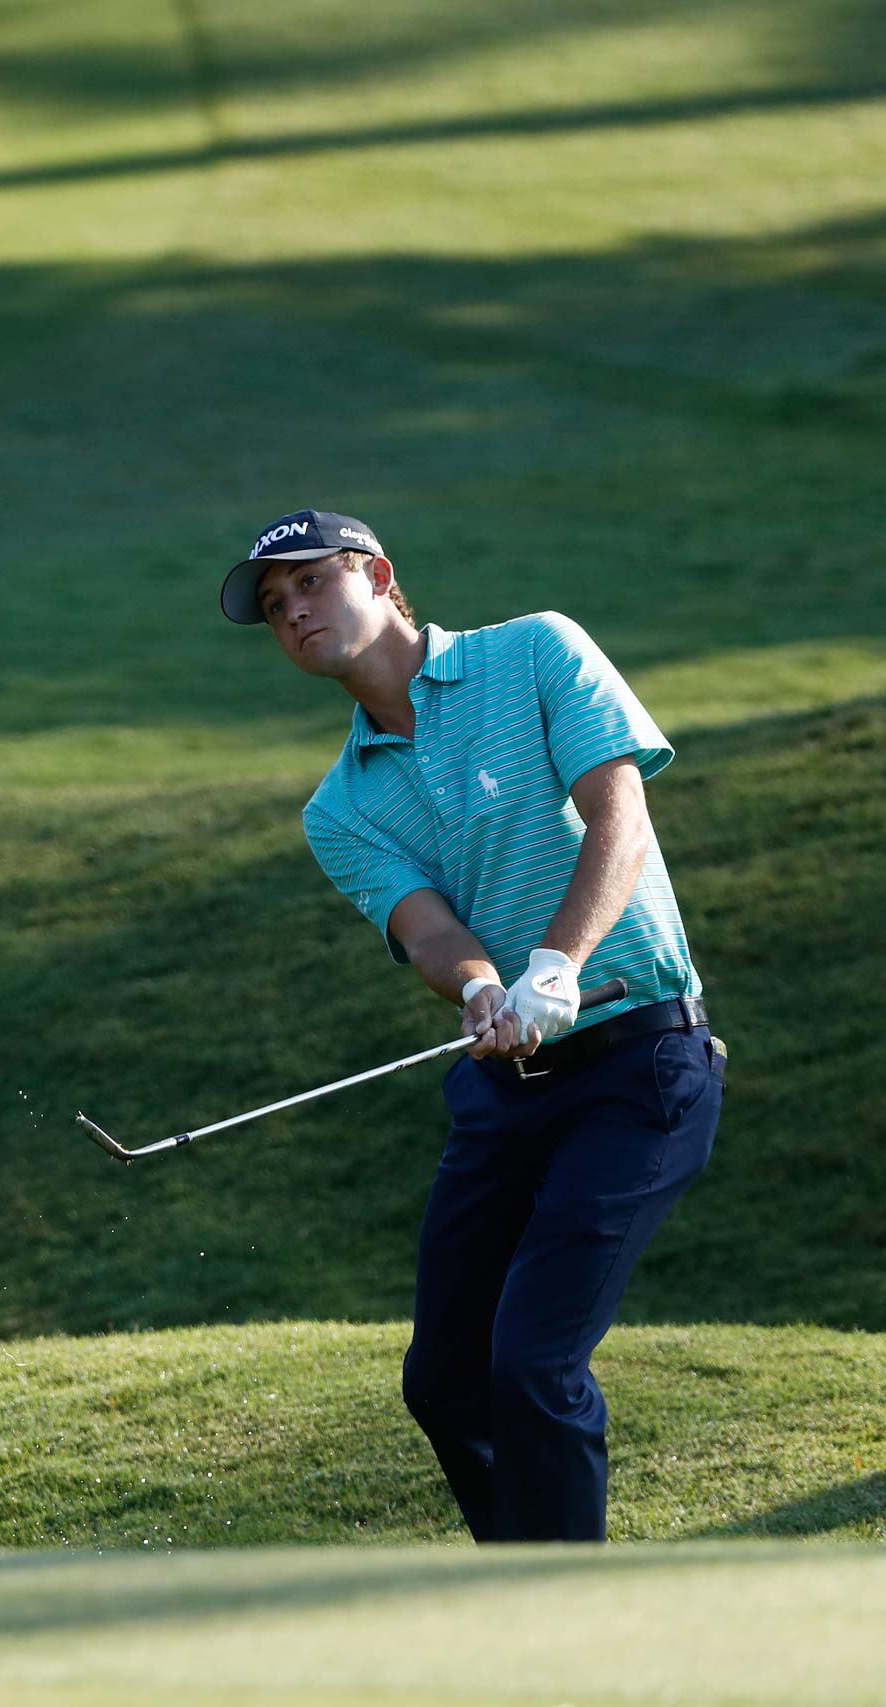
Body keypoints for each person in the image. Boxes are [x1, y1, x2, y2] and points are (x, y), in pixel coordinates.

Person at [219, 508, 724, 1544]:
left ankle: (565, 1621)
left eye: (311, 582)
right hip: (504, 1092)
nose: (294, 612)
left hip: (640, 1066)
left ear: (380, 575)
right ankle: (526, 1597)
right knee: (445, 1381)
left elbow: (618, 814)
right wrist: (483, 993)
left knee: (533, 1363)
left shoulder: (535, 649)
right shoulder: (338, 807)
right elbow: (428, 930)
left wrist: (559, 964)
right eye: (274, 608)